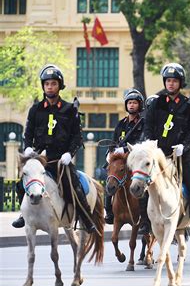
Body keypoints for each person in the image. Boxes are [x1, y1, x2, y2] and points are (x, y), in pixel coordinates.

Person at [12, 64, 96, 233]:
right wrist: (27, 147)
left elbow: (77, 138)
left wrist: (69, 154)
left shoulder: (70, 109)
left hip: (60, 160)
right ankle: (23, 215)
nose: (50, 87)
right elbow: (27, 133)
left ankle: (86, 218)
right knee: (21, 185)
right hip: (39, 160)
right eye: (47, 84)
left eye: (53, 84)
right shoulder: (35, 110)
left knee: (74, 185)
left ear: (59, 86)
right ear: (43, 86)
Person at [144, 63, 190, 234]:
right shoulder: (156, 103)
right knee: (142, 183)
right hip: (159, 155)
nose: (171, 84)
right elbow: (148, 127)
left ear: (180, 83)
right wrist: (152, 144)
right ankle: (145, 223)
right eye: (168, 81)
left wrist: (184, 146)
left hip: (182, 154)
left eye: (174, 81)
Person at [104, 89, 147, 232]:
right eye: (129, 103)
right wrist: (110, 152)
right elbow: (114, 141)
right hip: (119, 160)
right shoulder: (121, 124)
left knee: (139, 183)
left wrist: (126, 151)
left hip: (134, 160)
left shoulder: (143, 123)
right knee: (110, 178)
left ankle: (144, 217)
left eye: (134, 103)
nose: (132, 105)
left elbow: (143, 143)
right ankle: (109, 212)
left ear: (139, 105)